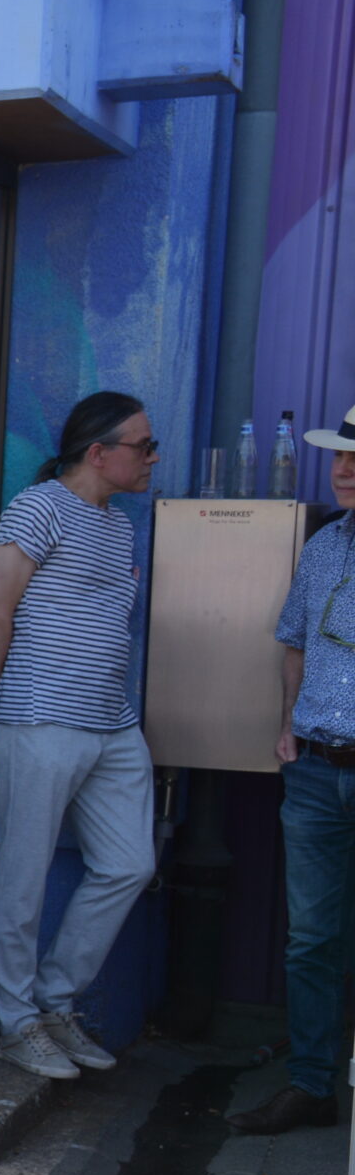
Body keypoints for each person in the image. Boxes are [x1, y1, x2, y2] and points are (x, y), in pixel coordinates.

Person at [0, 391, 156, 1081]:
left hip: (112, 721)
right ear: (98, 452)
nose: (153, 457)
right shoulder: (39, 507)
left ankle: (53, 1002)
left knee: (130, 863)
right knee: (22, 874)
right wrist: (2, 719)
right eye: (143, 445)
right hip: (41, 715)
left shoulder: (118, 525)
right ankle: (15, 1023)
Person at [239, 409, 355, 1134]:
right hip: (313, 770)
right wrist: (287, 724)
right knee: (311, 938)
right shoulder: (323, 545)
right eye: (340, 456)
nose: (343, 469)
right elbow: (295, 645)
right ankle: (313, 1085)